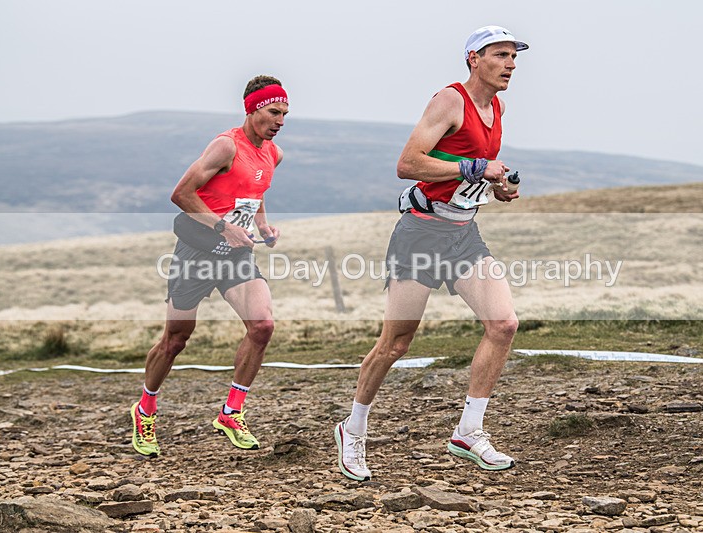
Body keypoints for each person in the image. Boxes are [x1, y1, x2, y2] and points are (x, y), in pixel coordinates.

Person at [335, 26, 528, 480]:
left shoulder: (495, 105)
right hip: (420, 235)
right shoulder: (450, 100)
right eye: (501, 55)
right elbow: (408, 164)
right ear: (473, 59)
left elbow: (466, 172)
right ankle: (353, 428)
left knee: (503, 324)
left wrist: (497, 185)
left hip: (462, 235)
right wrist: (477, 167)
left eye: (514, 57)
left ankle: (468, 430)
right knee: (396, 344)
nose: (511, 64)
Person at [130, 75, 288, 457]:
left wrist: (262, 224)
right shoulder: (225, 146)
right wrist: (222, 226)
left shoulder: (273, 153)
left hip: (236, 256)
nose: (280, 120)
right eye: (273, 112)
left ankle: (232, 412)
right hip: (197, 253)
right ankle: (145, 409)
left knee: (262, 325)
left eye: (285, 113)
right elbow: (180, 194)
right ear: (252, 109)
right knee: (176, 340)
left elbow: (256, 191)